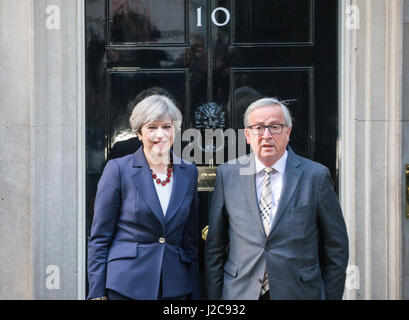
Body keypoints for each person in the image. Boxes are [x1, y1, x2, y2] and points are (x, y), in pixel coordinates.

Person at [205, 97, 349, 300]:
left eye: (275, 126)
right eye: (258, 128)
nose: (266, 135)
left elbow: (336, 247)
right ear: (247, 135)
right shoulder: (227, 174)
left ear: (288, 132)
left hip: (299, 292)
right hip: (240, 292)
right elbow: (215, 247)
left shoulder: (315, 176)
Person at [87, 94, 199, 300]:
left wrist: (195, 293)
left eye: (167, 126)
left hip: (175, 287)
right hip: (126, 285)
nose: (161, 134)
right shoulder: (118, 169)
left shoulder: (189, 171)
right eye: (152, 127)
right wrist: (97, 292)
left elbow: (189, 241)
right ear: (139, 133)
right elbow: (100, 238)